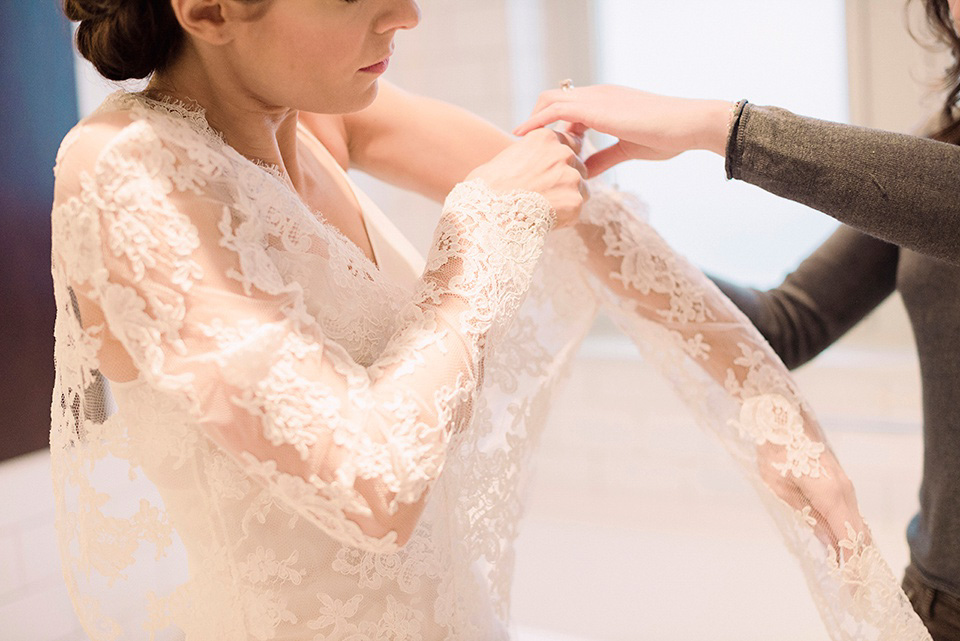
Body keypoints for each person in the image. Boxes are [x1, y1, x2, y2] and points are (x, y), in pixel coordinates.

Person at [52, 0, 932, 639]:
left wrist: (774, 421)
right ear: (209, 9)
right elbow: (369, 486)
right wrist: (476, 241)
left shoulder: (321, 117)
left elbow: (594, 223)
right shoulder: (126, 175)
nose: (407, 15)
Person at [513, 1, 960, 639]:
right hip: (937, 599)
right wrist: (609, 231)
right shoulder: (940, 144)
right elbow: (785, 323)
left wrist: (715, 126)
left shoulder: (934, 180)